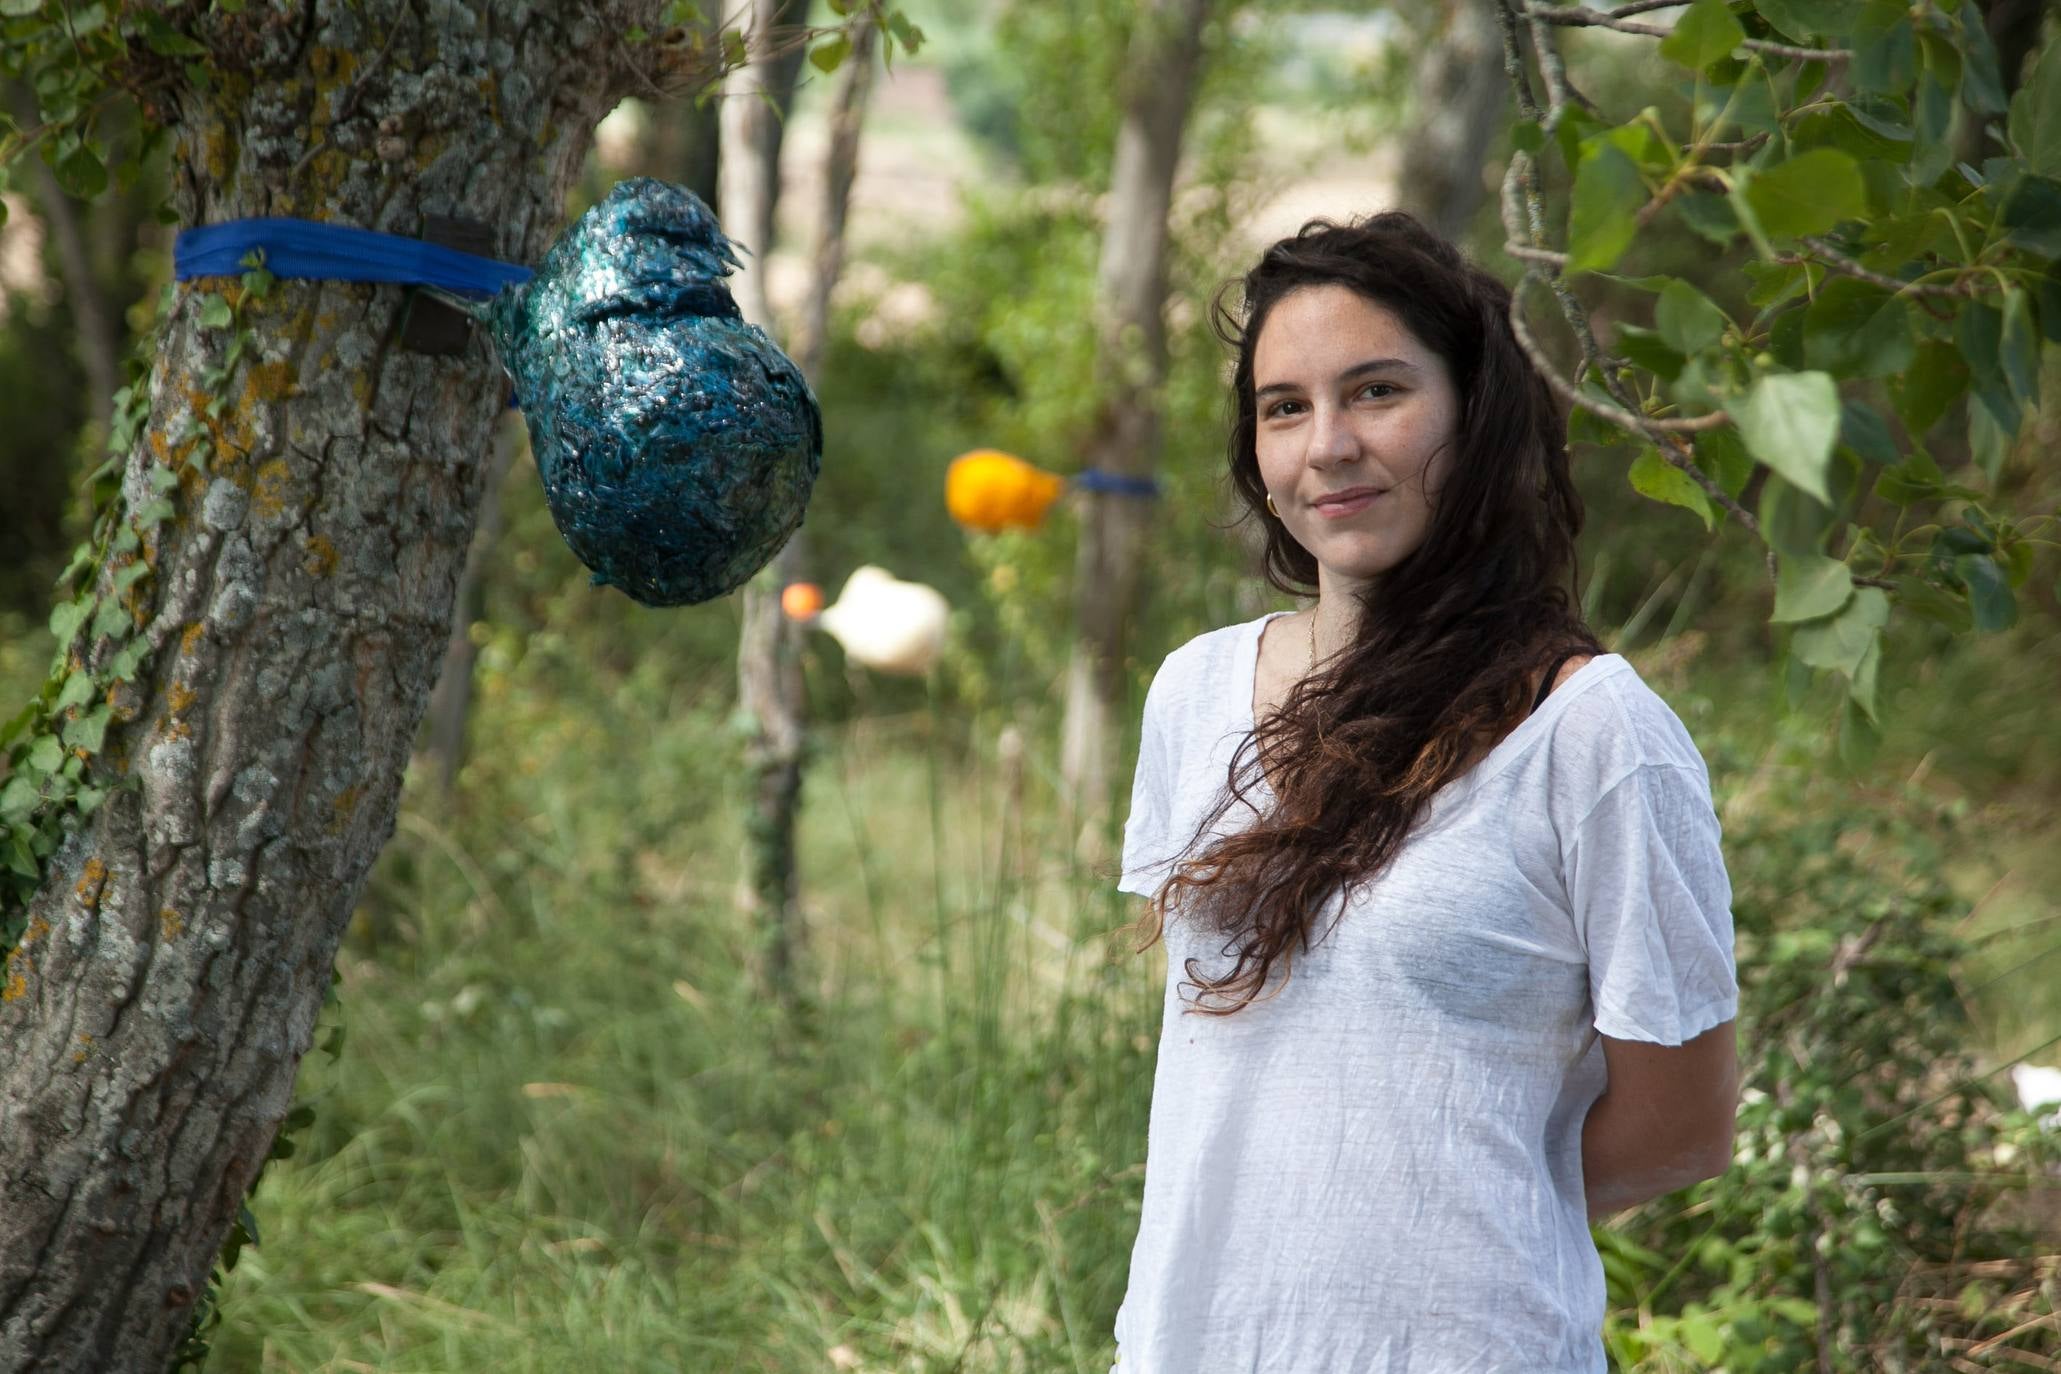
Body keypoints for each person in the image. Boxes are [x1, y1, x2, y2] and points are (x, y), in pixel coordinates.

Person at [1109, 213, 1741, 1373]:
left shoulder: (1593, 732)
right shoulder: (1193, 692)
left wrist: (1451, 1186)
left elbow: (1685, 1127)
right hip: (1190, 1342)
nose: (1328, 446)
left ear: (1477, 412)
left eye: (1379, 391)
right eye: (1284, 407)